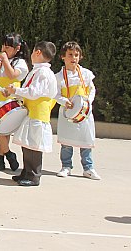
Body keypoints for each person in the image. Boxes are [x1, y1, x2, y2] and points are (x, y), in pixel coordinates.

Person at [4, 41, 58, 187]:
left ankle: (34, 176)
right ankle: (26, 171)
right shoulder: (37, 71)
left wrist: (16, 90)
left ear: (38, 52)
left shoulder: (43, 73)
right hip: (32, 113)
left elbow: (34, 92)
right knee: (27, 144)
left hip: (38, 115)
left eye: (33, 52)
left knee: (34, 145)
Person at [54, 42, 101, 180]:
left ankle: (88, 168)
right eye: (70, 55)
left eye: (76, 55)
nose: (73, 58)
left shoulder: (86, 74)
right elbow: (55, 94)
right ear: (63, 57)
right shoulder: (59, 77)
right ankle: (66, 166)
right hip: (67, 113)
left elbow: (92, 89)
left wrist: (88, 102)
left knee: (85, 141)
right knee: (67, 142)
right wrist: (63, 101)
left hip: (85, 114)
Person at [0, 33, 29, 171]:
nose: (4, 49)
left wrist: (4, 60)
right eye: (3, 45)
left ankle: (2, 156)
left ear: (17, 48)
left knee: (2, 130)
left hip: (9, 101)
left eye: (8, 47)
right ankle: (7, 154)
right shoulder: (1, 61)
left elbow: (12, 75)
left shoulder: (20, 63)